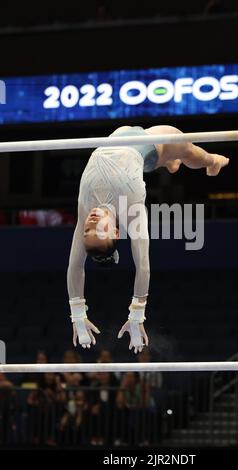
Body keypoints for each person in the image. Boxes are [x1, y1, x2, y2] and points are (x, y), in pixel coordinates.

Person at [67, 125, 229, 353]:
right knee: (190, 151)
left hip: (121, 137)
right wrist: (136, 314)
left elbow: (75, 266)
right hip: (152, 143)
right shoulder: (131, 210)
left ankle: (170, 164)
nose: (91, 223)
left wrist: (77, 313)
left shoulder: (85, 210)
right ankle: (213, 161)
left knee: (171, 160)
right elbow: (142, 265)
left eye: (86, 231)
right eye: (99, 231)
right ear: (115, 232)